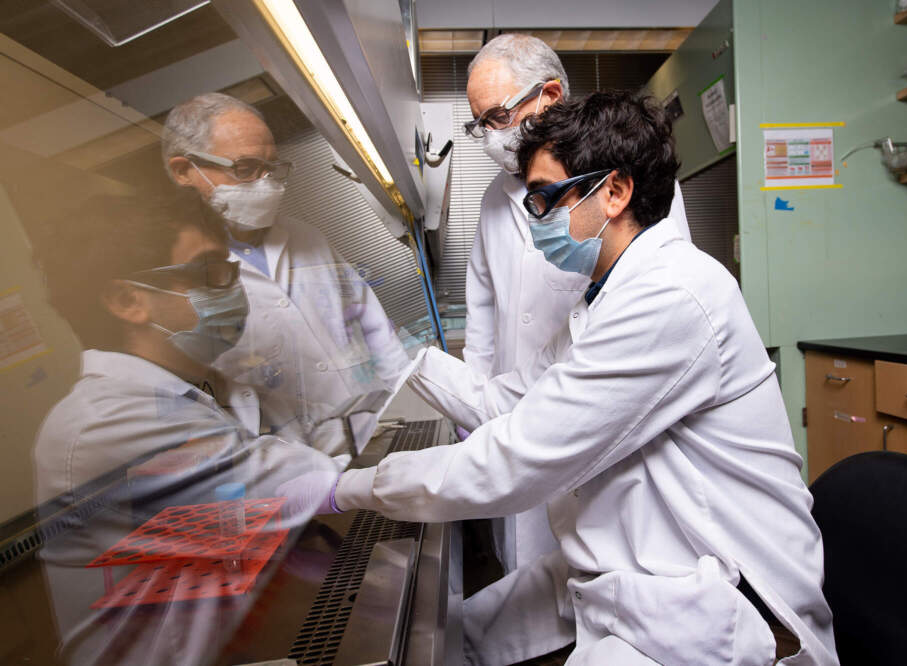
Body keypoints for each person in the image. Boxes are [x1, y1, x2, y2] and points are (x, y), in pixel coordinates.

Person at [289, 91, 839, 665]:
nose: (536, 223)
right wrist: (403, 353)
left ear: (616, 192)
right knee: (461, 635)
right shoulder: (599, 301)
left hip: (726, 603)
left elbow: (519, 456)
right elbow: (508, 404)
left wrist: (341, 490)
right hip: (638, 568)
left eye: (545, 201)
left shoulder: (672, 294)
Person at [32, 191, 343, 665]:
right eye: (210, 273)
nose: (233, 289)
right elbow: (298, 483)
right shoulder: (106, 422)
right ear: (126, 300)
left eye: (230, 271)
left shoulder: (184, 391)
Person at [461, 34, 691, 578]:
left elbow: (653, 303)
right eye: (480, 125)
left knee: (597, 571)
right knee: (527, 580)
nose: (490, 137)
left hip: (601, 427)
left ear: (550, 95)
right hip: (518, 419)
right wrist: (473, 418)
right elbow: (483, 318)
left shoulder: (629, 182)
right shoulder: (496, 199)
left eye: (496, 116)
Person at [161, 93, 412, 457]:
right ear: (184, 171)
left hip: (369, 433)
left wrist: (408, 401)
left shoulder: (306, 236)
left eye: (272, 167)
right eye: (245, 168)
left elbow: (374, 325)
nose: (266, 183)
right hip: (286, 468)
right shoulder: (176, 271)